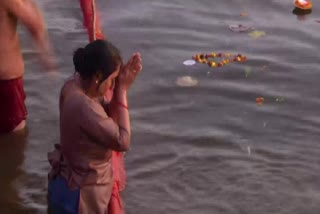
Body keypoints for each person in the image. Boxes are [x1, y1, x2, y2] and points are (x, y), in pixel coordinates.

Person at [47, 39, 142, 213]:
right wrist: (122, 92)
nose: (112, 86)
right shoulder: (85, 107)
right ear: (97, 76)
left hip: (63, 185)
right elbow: (123, 141)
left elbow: (105, 113)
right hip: (79, 197)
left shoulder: (73, 85)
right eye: (112, 80)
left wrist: (120, 83)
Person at [0, 0, 56, 134]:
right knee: (15, 134)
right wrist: (47, 57)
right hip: (6, 78)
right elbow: (35, 25)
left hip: (5, 77)